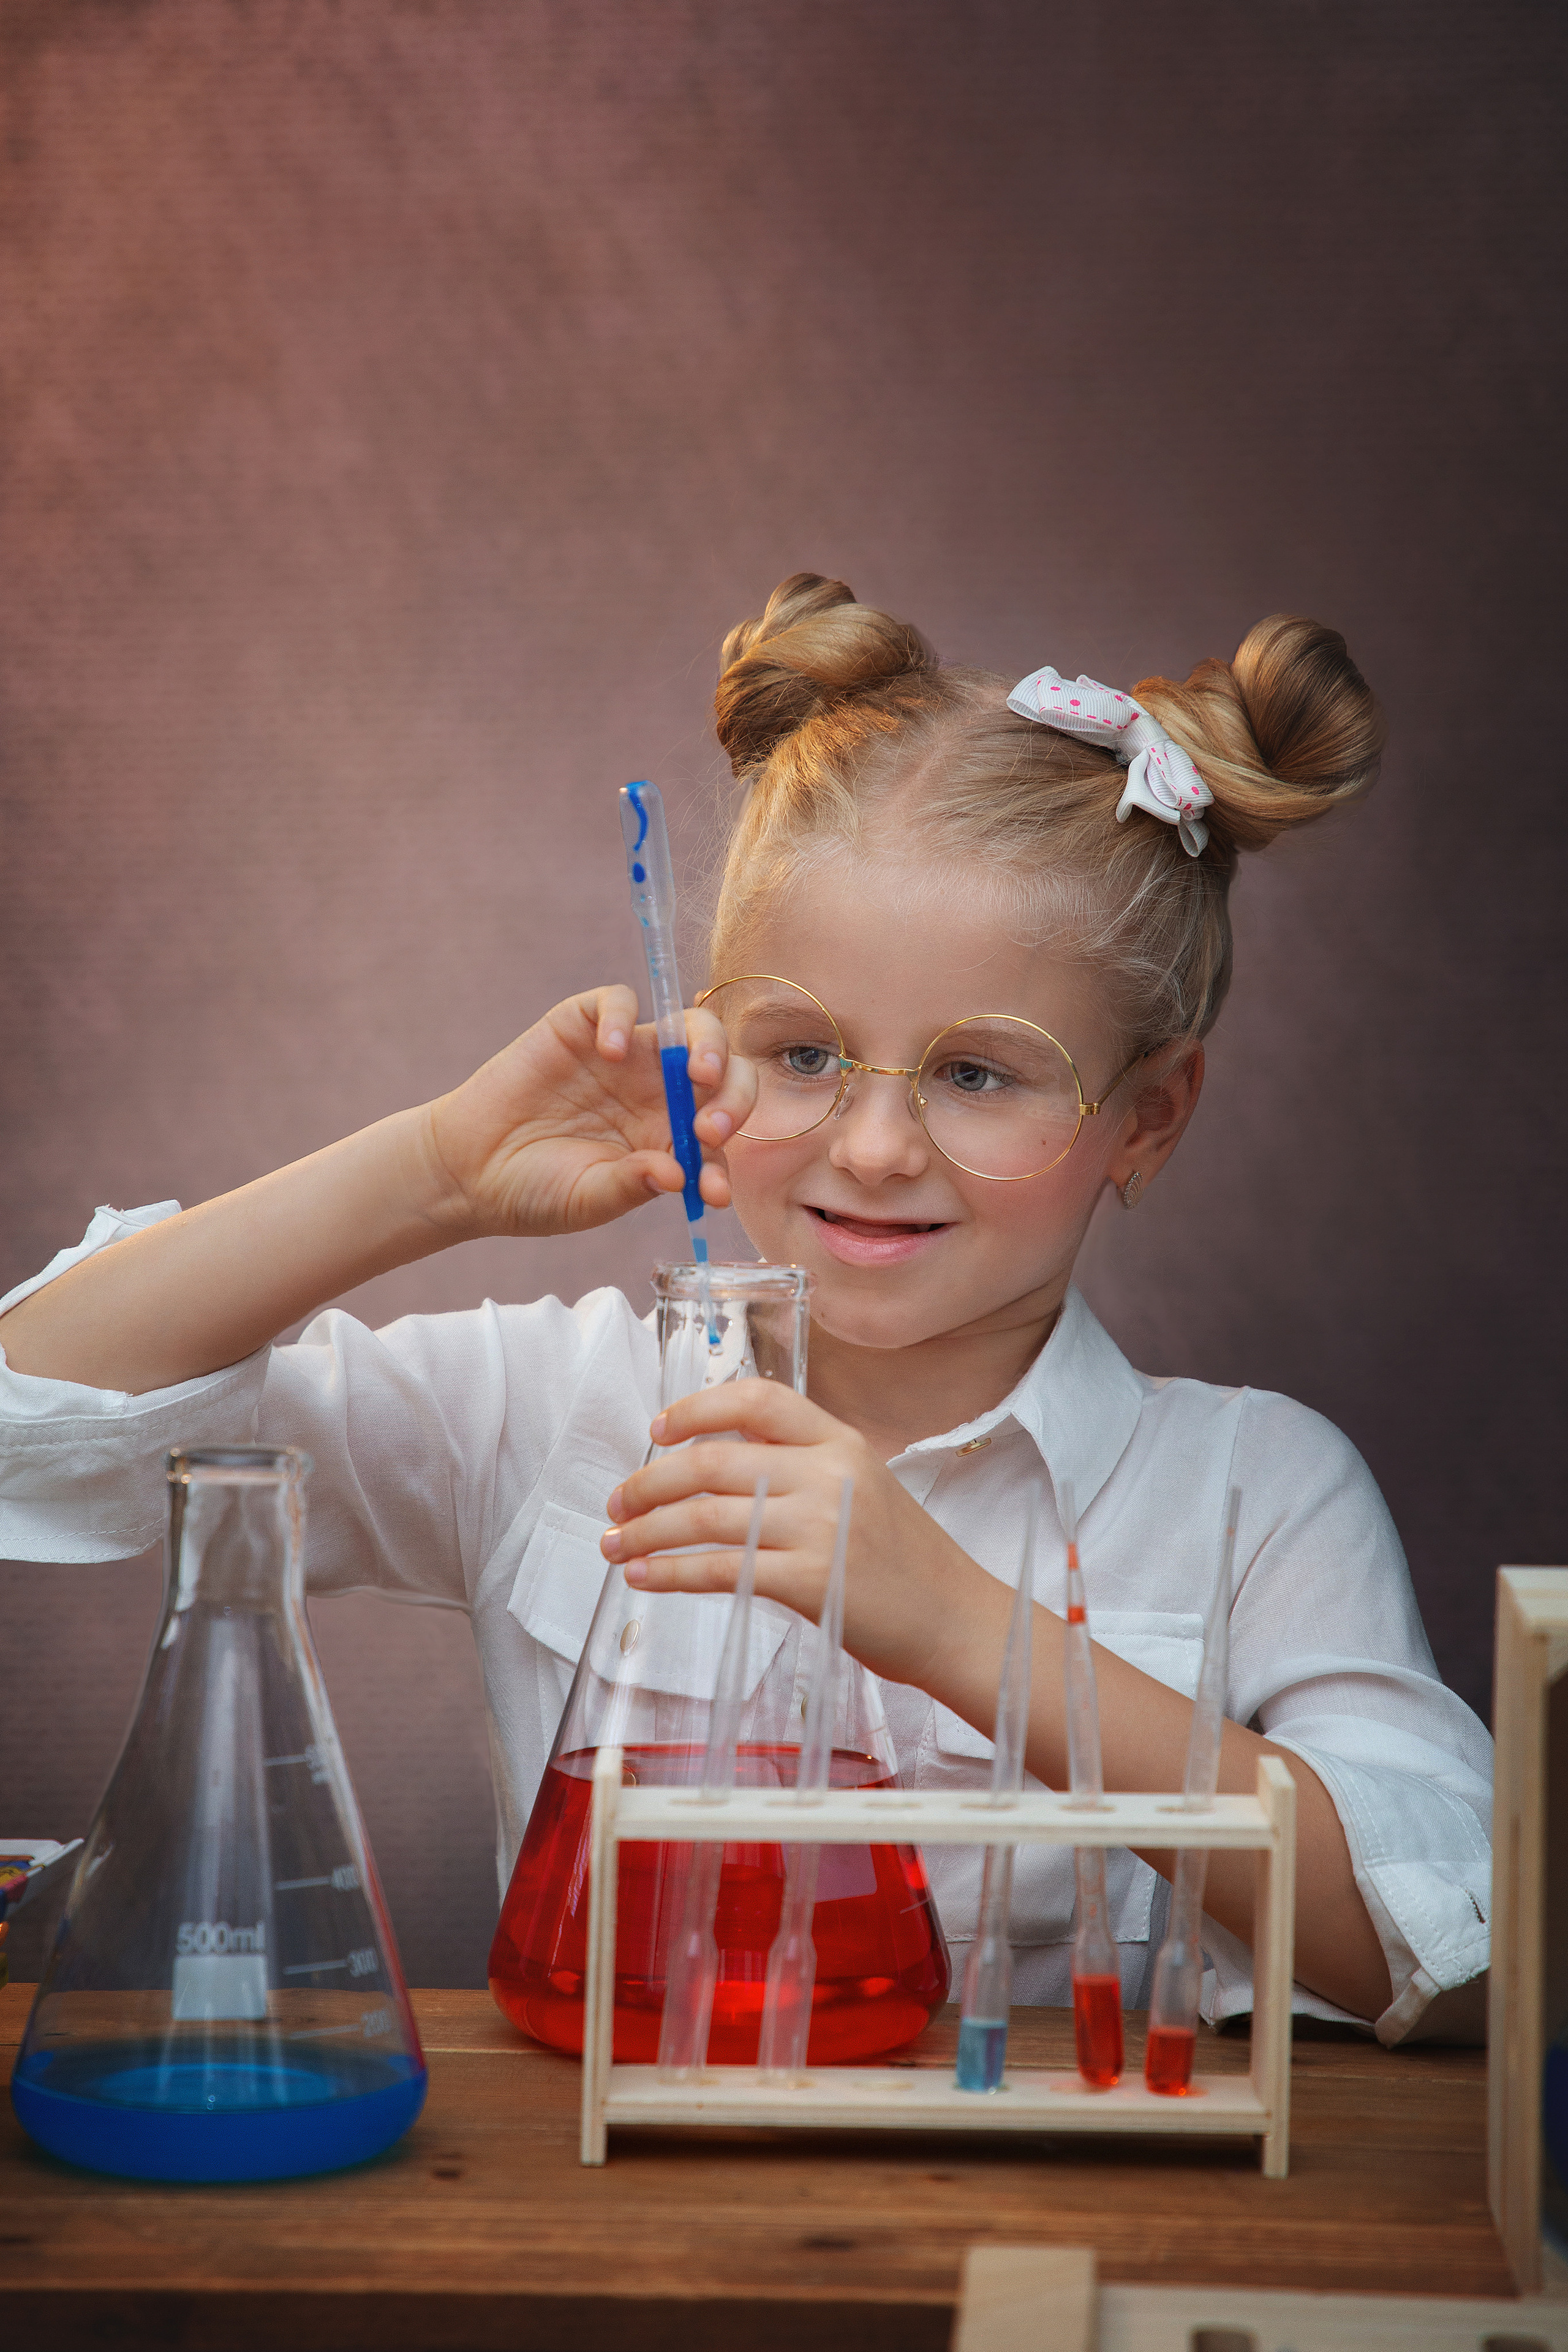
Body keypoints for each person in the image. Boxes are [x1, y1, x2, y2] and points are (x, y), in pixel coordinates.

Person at [0, 574, 1491, 2045]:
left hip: (1057, 2240)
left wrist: (958, 1625)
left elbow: (1444, 1948)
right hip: (623, 2232)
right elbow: (35, 1421)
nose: (873, 1147)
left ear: (1147, 1119)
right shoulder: (559, 1405)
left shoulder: (1254, 1491)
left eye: (979, 1072)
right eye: (799, 1051)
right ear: (703, 1036)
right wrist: (435, 1174)